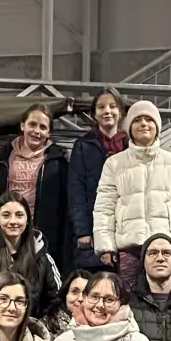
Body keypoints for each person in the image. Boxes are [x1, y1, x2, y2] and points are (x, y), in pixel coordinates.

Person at [93, 101, 171, 287]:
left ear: (157, 127)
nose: (144, 124)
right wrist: (105, 245)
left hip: (163, 247)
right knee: (128, 297)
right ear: (129, 127)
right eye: (137, 120)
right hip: (128, 248)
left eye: (149, 119)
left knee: (162, 296)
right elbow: (104, 207)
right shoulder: (114, 163)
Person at [0, 105, 71, 272]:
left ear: (49, 133)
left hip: (41, 236)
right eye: (32, 124)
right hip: (6, 232)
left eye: (43, 127)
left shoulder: (58, 161)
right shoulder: (1, 157)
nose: (37, 131)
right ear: (23, 125)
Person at [68, 88, 128, 271]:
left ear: (120, 112)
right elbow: (76, 190)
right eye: (101, 107)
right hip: (92, 228)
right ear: (95, 114)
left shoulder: (130, 145)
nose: (107, 111)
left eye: (112, 106)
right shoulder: (83, 145)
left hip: (125, 227)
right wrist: (83, 231)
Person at [0, 193, 63, 323]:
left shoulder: (43, 257)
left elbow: (56, 299)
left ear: (27, 219)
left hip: (31, 328)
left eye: (19, 215)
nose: (13, 221)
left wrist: (37, 327)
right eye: (6, 215)